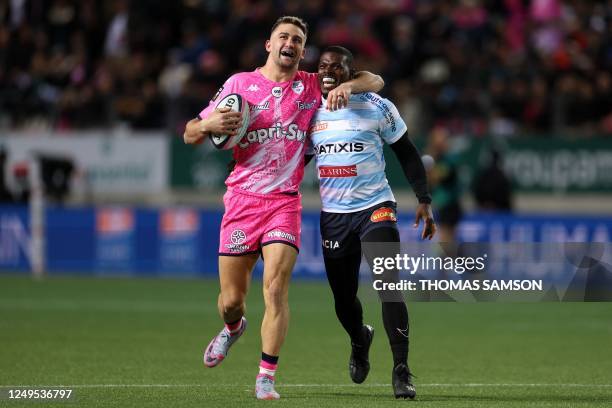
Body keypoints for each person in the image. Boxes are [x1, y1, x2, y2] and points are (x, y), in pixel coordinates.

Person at [183, 17, 384, 400]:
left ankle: (265, 378)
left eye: (297, 39)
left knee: (275, 289)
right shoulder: (240, 85)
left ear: (303, 51)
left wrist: (346, 85)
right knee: (231, 301)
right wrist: (208, 122)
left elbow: (375, 81)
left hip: (284, 204)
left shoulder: (310, 86)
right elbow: (190, 133)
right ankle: (233, 328)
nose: (289, 43)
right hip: (242, 202)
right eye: (283, 37)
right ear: (269, 44)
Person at [307, 46, 436, 399]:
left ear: (352, 72)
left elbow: (407, 152)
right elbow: (294, 157)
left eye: (337, 66)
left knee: (388, 284)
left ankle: (401, 369)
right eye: (323, 66)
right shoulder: (308, 113)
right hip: (334, 216)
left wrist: (423, 199)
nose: (329, 71)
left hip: (376, 207)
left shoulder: (378, 106)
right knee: (344, 298)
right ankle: (359, 339)